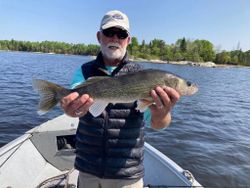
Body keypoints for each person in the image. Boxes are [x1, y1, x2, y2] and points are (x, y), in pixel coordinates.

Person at [60, 10, 180, 188]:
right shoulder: (84, 72)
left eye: (121, 34)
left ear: (128, 40)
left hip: (127, 174)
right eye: (109, 33)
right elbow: (73, 109)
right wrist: (70, 109)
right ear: (99, 37)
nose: (115, 38)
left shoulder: (142, 75)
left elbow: (159, 125)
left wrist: (162, 114)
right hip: (88, 170)